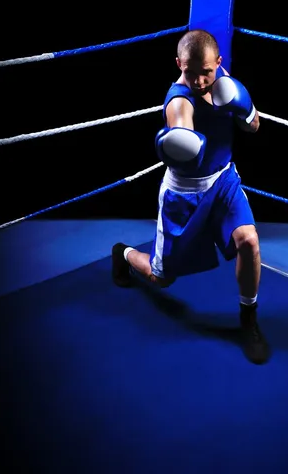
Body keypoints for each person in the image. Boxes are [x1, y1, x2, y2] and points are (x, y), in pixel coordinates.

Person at [112, 29, 269, 365]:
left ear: (219, 63)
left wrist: (245, 106)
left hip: (223, 180)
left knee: (249, 241)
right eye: (190, 71)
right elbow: (179, 119)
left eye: (206, 72)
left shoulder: (225, 82)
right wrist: (180, 140)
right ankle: (123, 254)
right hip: (184, 196)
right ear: (178, 64)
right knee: (161, 278)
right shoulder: (179, 98)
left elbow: (256, 126)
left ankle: (249, 321)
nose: (198, 81)